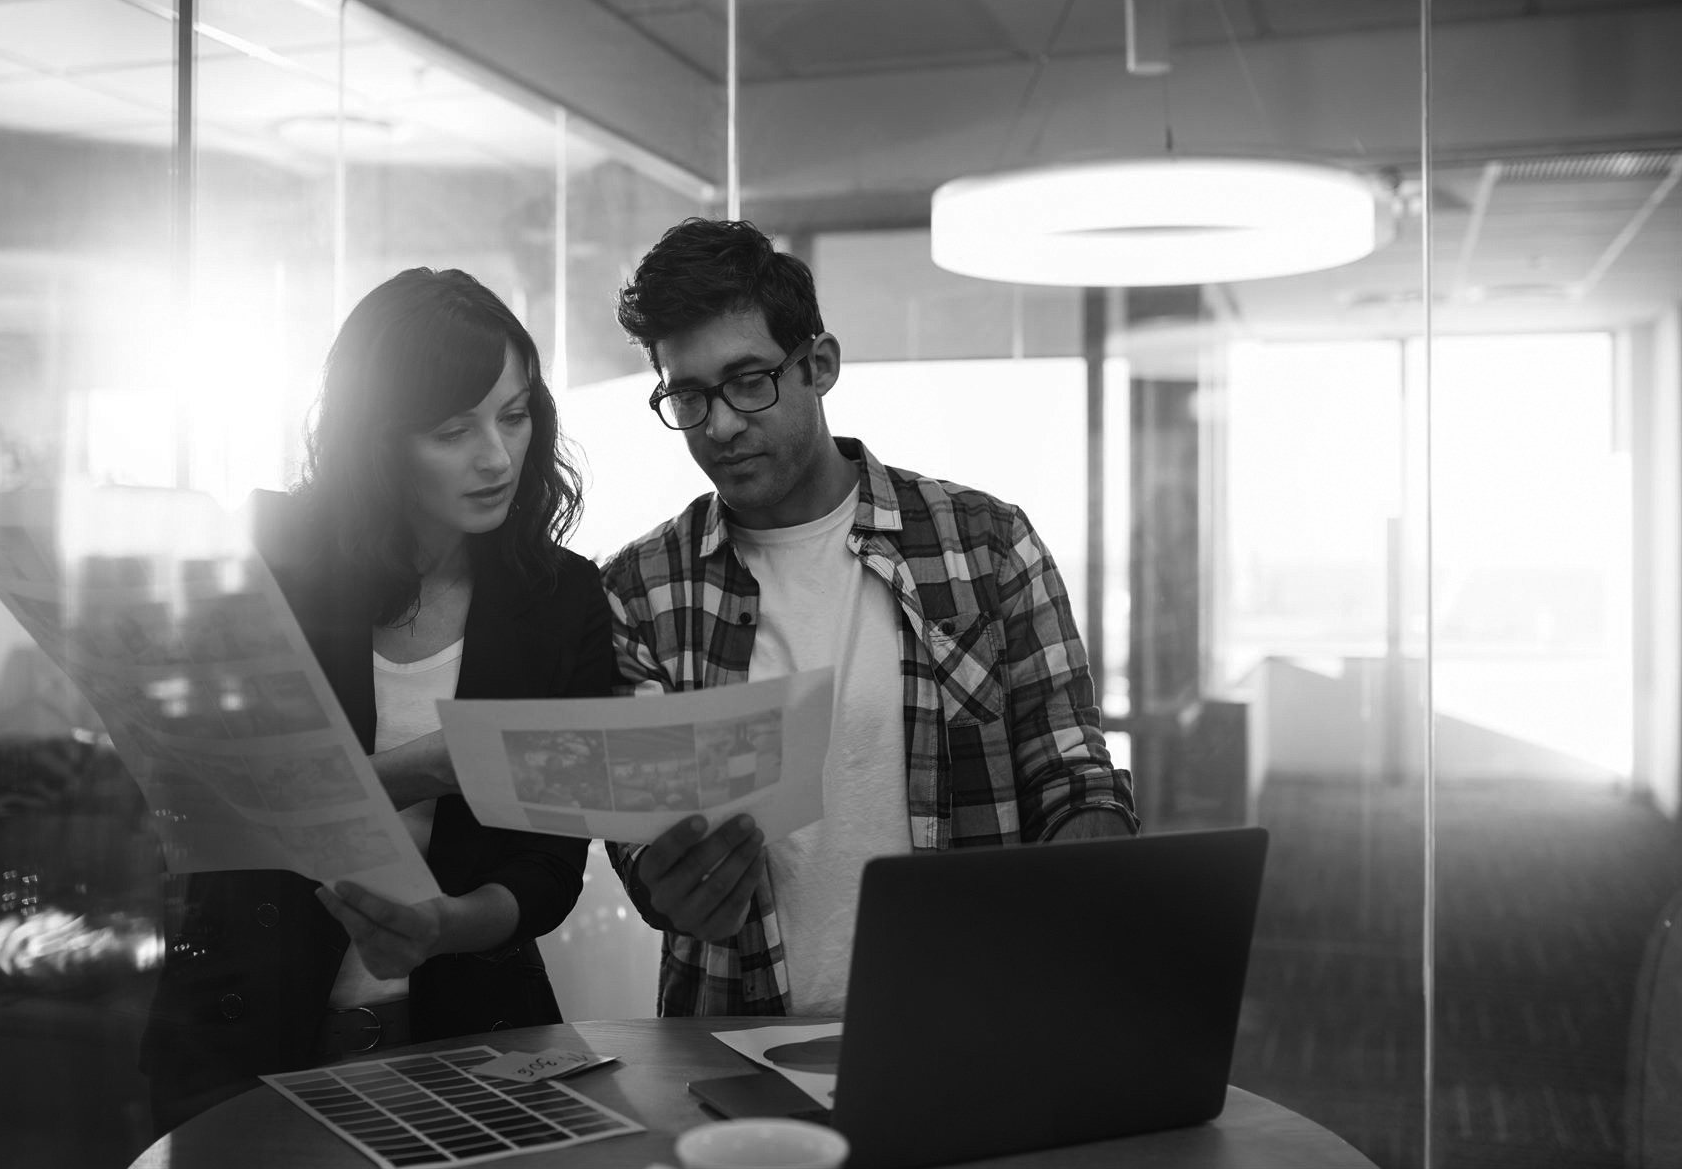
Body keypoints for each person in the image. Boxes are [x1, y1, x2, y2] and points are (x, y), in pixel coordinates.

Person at [601, 218, 1138, 1018]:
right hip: (736, 1044)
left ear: (819, 365)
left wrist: (1075, 885)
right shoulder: (641, 589)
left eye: (749, 382)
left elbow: (1075, 778)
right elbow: (642, 840)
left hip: (970, 1024)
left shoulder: (985, 544)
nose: (718, 425)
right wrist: (668, 880)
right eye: (688, 395)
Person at [141, 268, 614, 1130]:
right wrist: (423, 767)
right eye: (452, 429)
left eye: (515, 416)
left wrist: (448, 924)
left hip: (472, 1031)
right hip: (251, 1024)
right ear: (377, 440)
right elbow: (214, 810)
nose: (497, 457)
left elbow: (549, 867)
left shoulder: (561, 598)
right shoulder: (269, 561)